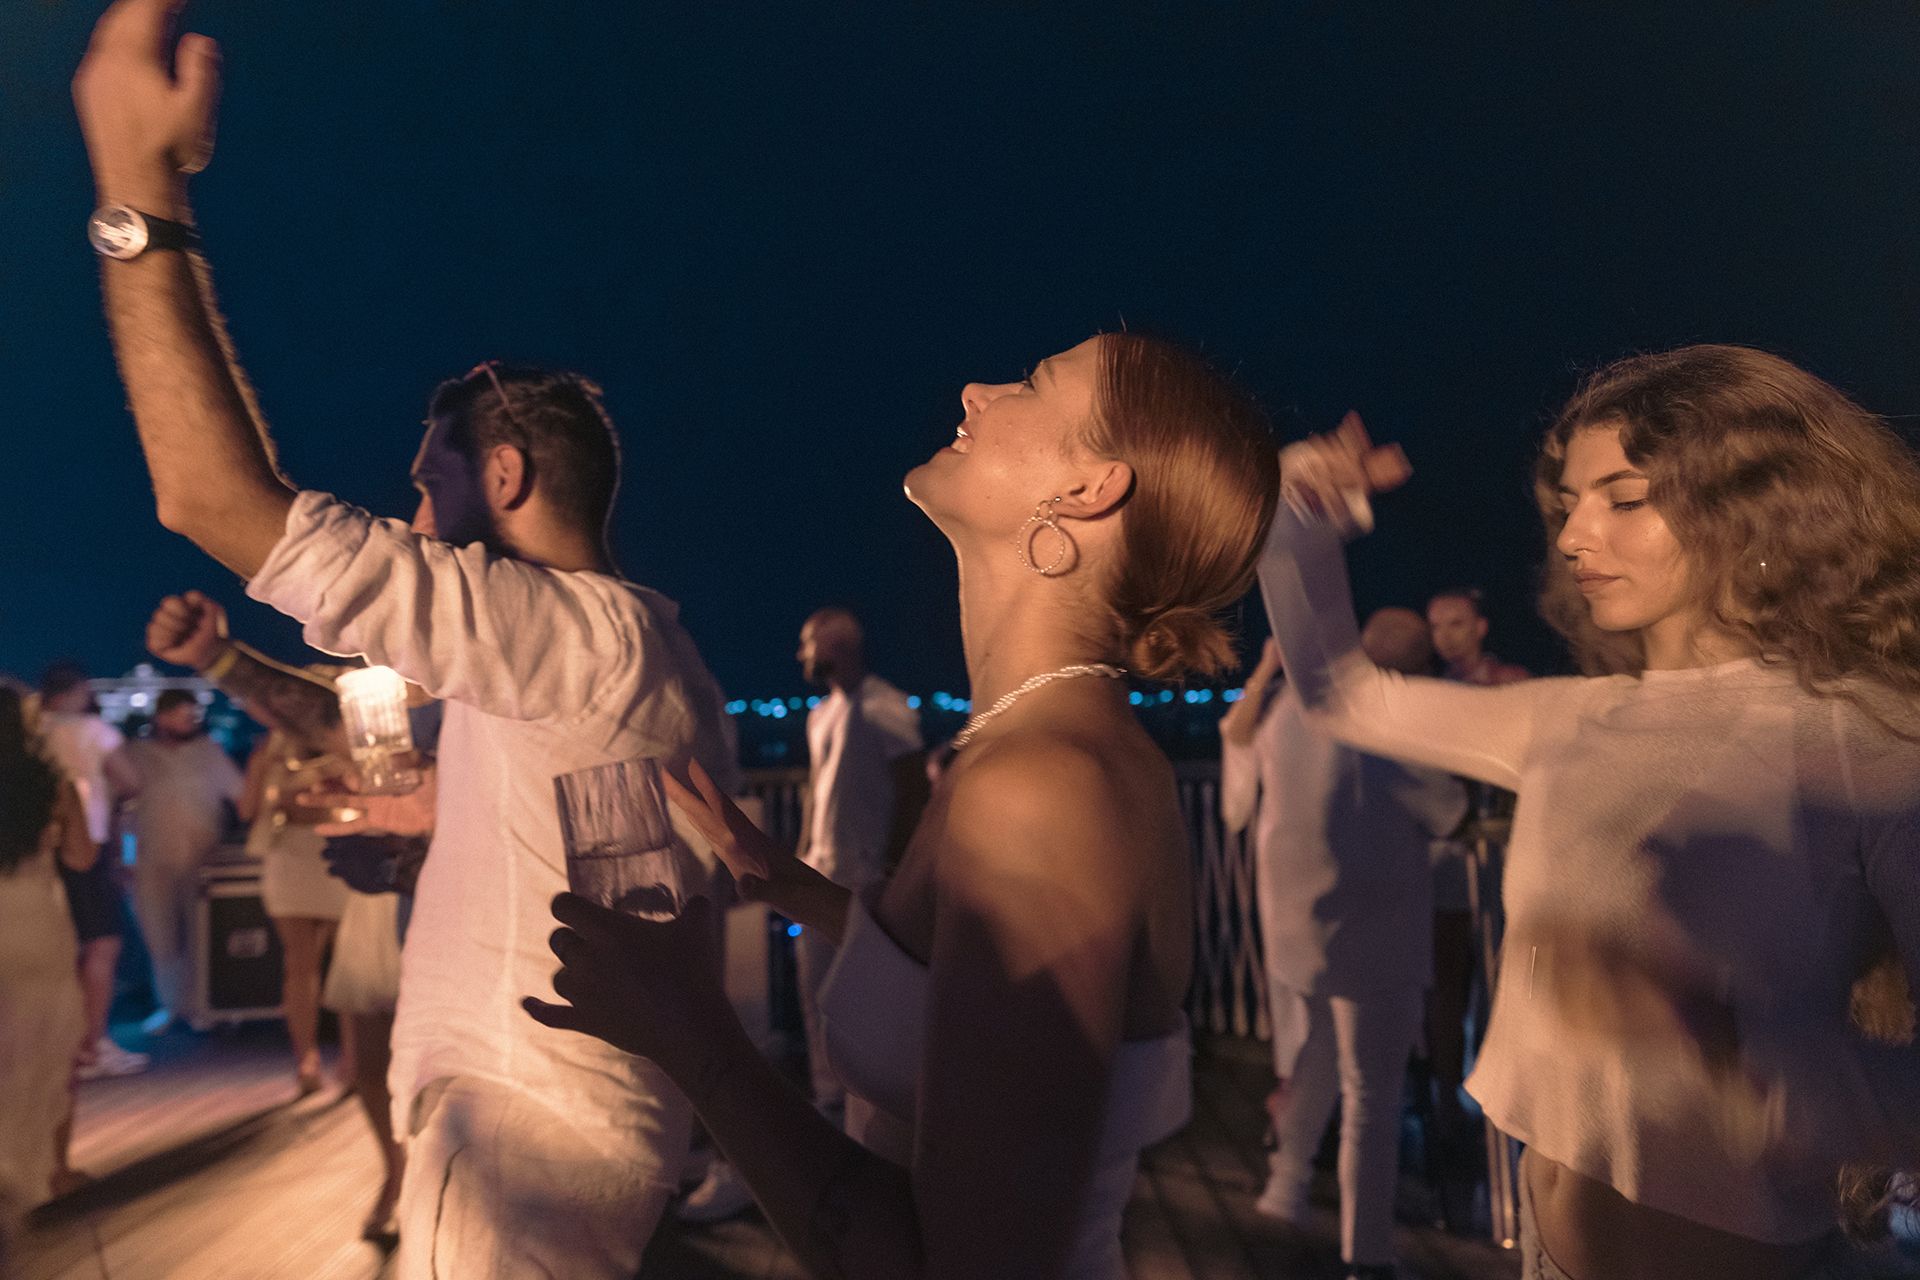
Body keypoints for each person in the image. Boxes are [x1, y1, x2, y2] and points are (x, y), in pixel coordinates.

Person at [75, 13, 739, 1273]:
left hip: (524, 1142)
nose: (411, 520)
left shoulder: (567, 628)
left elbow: (211, 499)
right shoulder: (617, 652)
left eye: (427, 488)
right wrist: (424, 812)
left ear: (504, 469)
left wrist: (132, 186)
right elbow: (564, 809)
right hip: (574, 1119)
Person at [526, 332, 1280, 1278]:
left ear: (1090, 490)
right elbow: (968, 992)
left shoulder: (1042, 787)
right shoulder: (1026, 747)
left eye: (1034, 384)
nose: (976, 388)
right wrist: (792, 885)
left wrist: (693, 1034)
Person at [1260, 356, 1920, 1280]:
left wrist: (1728, 1061)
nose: (1574, 535)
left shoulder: (1868, 743)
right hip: (1546, 1252)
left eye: (1624, 498)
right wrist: (1296, 519)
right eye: (1569, 502)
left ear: (1759, 507)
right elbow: (1339, 693)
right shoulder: (1569, 719)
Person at [1221, 623, 1467, 1280]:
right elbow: (1446, 808)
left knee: (1318, 1058)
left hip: (1297, 924)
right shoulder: (1385, 724)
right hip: (1372, 929)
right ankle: (1370, 1255)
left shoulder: (1290, 708)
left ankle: (1285, 1188)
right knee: (1371, 1096)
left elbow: (1239, 788)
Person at [679, 609, 927, 1224]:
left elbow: (912, 791)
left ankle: (870, 1145)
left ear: (838, 643)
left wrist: (895, 879)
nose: (800, 656)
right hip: (822, 869)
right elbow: (824, 792)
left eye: (807, 644)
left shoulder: (886, 705)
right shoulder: (822, 714)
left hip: (866, 884)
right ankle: (829, 1123)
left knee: (864, 1009)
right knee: (820, 1006)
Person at [1422, 586, 1529, 1209]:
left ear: (1481, 626)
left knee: (1502, 985)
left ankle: (1502, 1107)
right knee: (1445, 986)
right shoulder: (1429, 696)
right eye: (1437, 626)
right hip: (1445, 864)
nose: (1447, 637)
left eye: (1456, 623)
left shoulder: (1510, 683)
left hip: (1501, 864)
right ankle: (1445, 1112)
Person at [0, 686, 91, 1259]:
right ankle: (48, 1169)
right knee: (42, 1049)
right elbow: (82, 857)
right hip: (37, 921)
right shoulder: (53, 783)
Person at [36, 663, 149, 1078]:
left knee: (58, 950)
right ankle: (92, 1045)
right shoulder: (91, 731)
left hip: (37, 855)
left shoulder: (30, 732)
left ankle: (57, 1044)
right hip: (87, 846)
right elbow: (131, 780)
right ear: (77, 692)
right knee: (102, 944)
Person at [118, 688, 243, 1034]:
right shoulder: (136, 754)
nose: (189, 721)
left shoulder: (209, 753)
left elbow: (241, 795)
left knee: (201, 935)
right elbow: (123, 811)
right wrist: (125, 857)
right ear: (161, 716)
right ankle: (171, 1005)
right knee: (160, 935)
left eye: (192, 715)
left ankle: (205, 1004)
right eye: (180, 714)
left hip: (201, 860)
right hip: (150, 860)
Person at [239, 721, 348, 1094]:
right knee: (300, 963)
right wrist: (263, 770)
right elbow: (247, 809)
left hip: (338, 851)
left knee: (345, 961)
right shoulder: (271, 752)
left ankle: (353, 1059)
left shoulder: (343, 744)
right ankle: (307, 1058)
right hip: (289, 856)